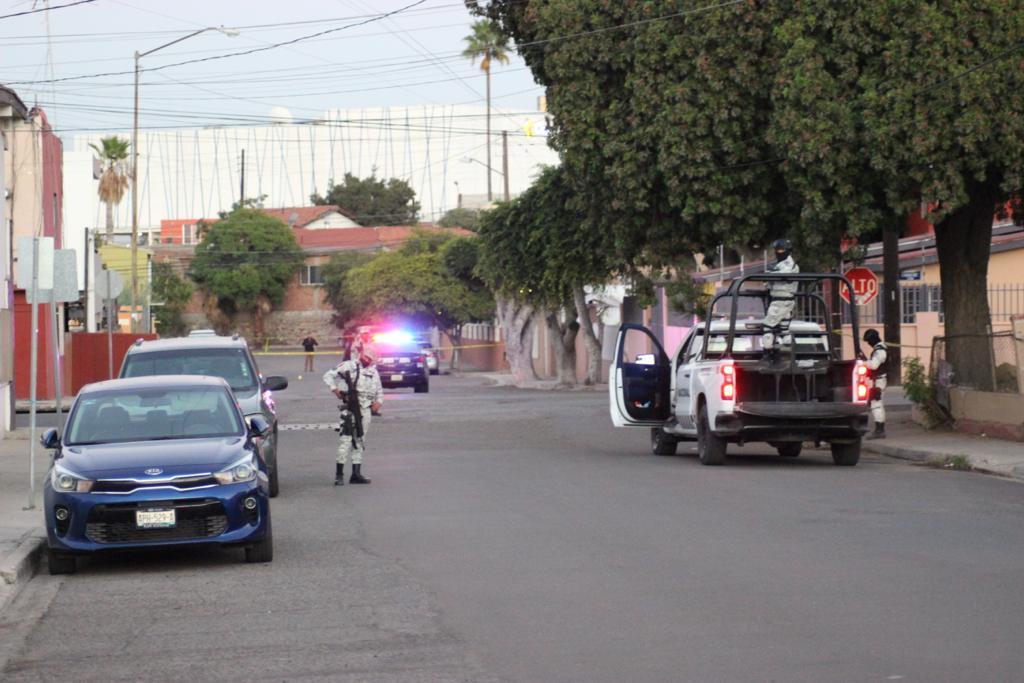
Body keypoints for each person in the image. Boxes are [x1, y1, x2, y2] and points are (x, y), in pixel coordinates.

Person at [323, 344, 383, 485]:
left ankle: (356, 474)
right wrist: (335, 389)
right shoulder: (348, 366)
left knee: (359, 441)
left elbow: (379, 390)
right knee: (345, 441)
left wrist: (379, 402)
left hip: (365, 410)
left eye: (371, 358)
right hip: (349, 410)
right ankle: (339, 475)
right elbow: (328, 376)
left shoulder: (373, 372)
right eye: (366, 356)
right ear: (361, 354)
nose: (367, 360)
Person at [761, 238, 800, 354]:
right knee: (783, 328)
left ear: (788, 250)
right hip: (780, 300)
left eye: (782, 249)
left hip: (781, 300)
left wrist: (770, 274)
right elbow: (768, 284)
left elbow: (783, 274)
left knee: (767, 326)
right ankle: (788, 350)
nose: (779, 252)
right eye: (777, 249)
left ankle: (767, 350)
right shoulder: (779, 264)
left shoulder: (790, 264)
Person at [863, 328, 889, 439]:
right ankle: (879, 430)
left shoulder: (880, 350)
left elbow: (873, 365)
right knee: (877, 404)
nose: (868, 343)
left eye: (869, 341)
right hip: (877, 381)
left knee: (876, 405)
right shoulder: (880, 348)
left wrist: (862, 362)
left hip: (878, 381)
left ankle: (880, 430)